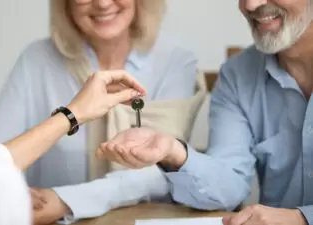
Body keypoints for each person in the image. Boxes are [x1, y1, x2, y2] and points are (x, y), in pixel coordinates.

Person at [0, 0, 198, 224]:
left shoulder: (176, 61)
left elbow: (165, 171)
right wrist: (9, 189)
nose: (102, 4)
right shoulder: (36, 60)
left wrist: (65, 201)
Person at [97, 0, 313, 225]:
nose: (250, 5)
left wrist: (302, 218)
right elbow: (229, 188)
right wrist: (175, 152)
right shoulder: (237, 74)